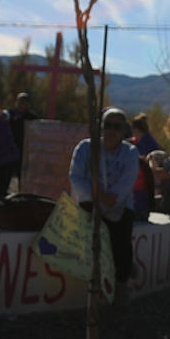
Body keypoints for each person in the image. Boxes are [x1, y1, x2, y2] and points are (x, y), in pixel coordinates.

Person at [69, 107, 141, 288]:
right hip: (90, 201)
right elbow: (76, 177)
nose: (111, 130)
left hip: (119, 204)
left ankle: (121, 283)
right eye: (107, 125)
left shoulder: (130, 153)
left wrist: (111, 198)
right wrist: (98, 196)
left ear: (124, 131)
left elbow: (126, 183)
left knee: (120, 240)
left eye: (116, 127)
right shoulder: (85, 147)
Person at [7, 90, 39, 156]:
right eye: (19, 101)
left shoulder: (32, 117)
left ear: (28, 104)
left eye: (23, 102)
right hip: (9, 147)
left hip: (24, 150)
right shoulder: (10, 114)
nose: (20, 104)